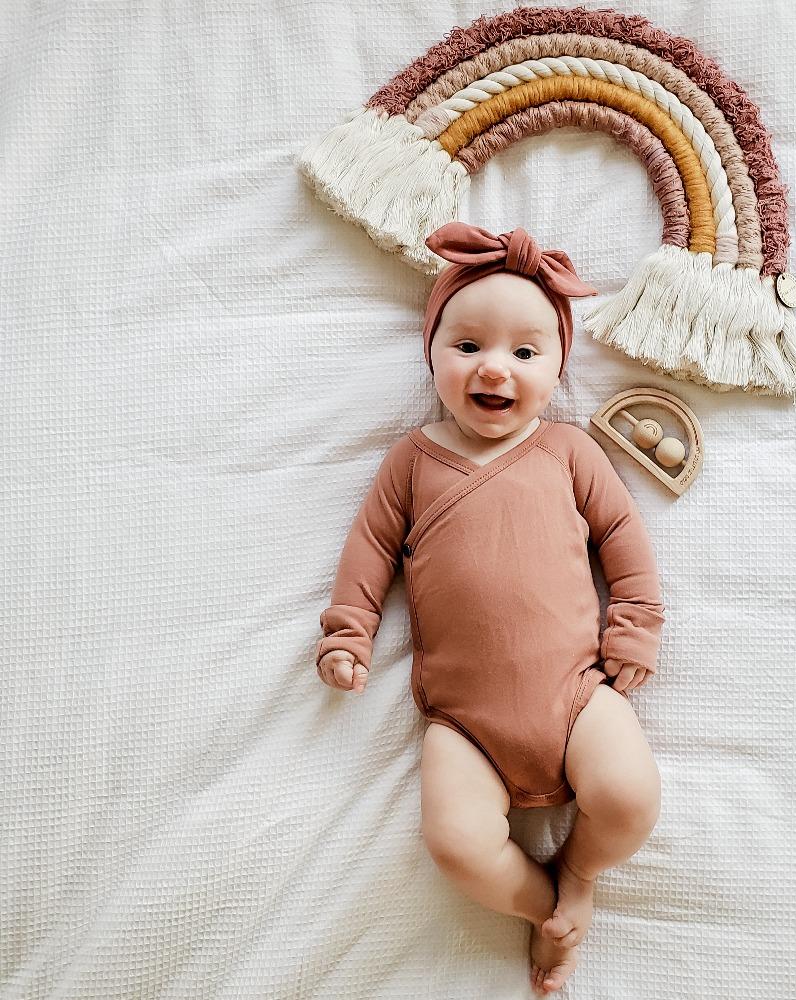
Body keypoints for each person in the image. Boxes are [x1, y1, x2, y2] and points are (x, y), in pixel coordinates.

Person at [315, 221, 665, 995]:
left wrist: (633, 627)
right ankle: (546, 906)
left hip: (577, 692)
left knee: (631, 797)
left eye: (525, 352)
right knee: (455, 843)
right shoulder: (411, 461)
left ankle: (579, 870)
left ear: (559, 366)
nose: (493, 368)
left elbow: (623, 540)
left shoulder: (571, 451)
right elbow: (369, 553)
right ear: (433, 353)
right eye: (467, 346)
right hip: (464, 723)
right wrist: (349, 634)